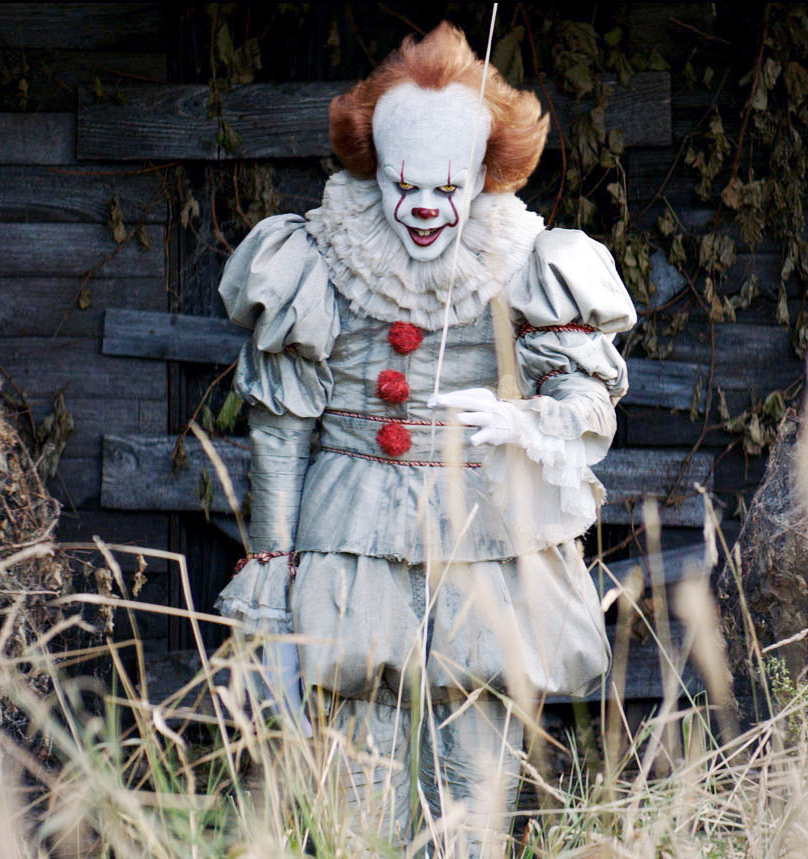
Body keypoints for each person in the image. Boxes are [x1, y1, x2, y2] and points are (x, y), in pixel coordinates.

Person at [213, 21, 634, 855]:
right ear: (379, 170)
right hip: (350, 545)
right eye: (406, 185)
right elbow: (283, 428)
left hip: (484, 550)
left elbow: (588, 398)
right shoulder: (323, 256)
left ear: (482, 173)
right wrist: (271, 568)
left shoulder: (528, 259)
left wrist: (525, 419)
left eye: (446, 187)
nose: (425, 209)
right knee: (357, 795)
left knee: (473, 788)